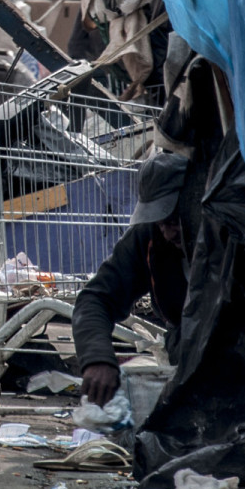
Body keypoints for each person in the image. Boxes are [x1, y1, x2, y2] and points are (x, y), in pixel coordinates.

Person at [70, 152, 189, 405]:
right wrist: (98, 358)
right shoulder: (149, 237)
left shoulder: (226, 233)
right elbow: (96, 298)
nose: (167, 232)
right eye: (160, 223)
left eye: (173, 219)